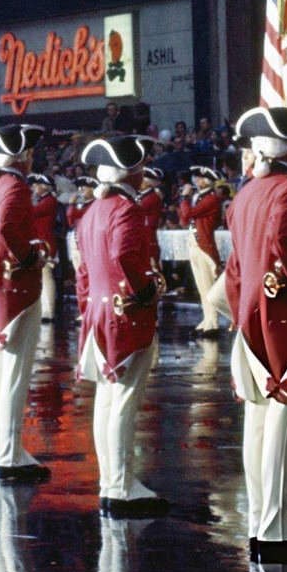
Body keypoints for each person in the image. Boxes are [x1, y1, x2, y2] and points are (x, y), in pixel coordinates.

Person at [225, 106, 287, 564]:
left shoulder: (246, 193)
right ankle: (274, 529)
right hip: (284, 317)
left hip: (249, 315)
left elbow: (234, 270)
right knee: (283, 430)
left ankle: (261, 522)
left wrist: (240, 309)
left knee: (258, 424)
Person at [75, 134, 167, 517]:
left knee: (107, 401)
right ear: (132, 171)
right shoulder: (127, 210)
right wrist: (147, 292)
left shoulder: (91, 211)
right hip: (124, 313)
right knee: (123, 403)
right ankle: (121, 486)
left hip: (98, 312)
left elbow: (83, 271)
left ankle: (111, 481)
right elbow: (126, 255)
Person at [0, 124, 50, 481]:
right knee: (14, 375)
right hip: (14, 287)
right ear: (22, 156)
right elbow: (7, 232)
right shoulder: (16, 188)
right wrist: (30, 256)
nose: (32, 157)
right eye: (30, 152)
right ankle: (9, 456)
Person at [178, 165, 224, 333]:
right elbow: (184, 220)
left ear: (207, 180)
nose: (195, 181)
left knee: (208, 284)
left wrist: (184, 198)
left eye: (199, 178)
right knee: (201, 285)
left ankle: (213, 322)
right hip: (194, 243)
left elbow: (187, 214)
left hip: (204, 245)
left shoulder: (211, 198)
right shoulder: (198, 197)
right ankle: (207, 319)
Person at [28, 173, 60, 321]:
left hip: (45, 241)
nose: (34, 188)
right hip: (37, 241)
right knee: (40, 277)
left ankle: (49, 311)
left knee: (46, 275)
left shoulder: (49, 201)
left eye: (37, 185)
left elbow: (32, 213)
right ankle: (42, 308)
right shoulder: (42, 200)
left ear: (44, 187)